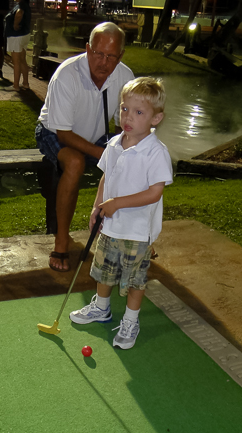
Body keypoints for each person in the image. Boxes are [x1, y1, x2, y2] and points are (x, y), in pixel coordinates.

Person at [68, 77, 172, 350]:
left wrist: (116, 204)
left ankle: (130, 320)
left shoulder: (155, 152)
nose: (128, 117)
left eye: (139, 112)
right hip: (111, 225)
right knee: (104, 270)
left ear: (156, 118)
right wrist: (97, 206)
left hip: (137, 231)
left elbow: (154, 193)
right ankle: (102, 308)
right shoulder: (115, 144)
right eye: (125, 109)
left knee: (135, 279)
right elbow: (106, 178)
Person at [36, 22, 134, 273]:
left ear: (120, 55)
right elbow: (64, 133)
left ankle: (134, 238)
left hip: (97, 135)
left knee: (133, 161)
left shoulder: (125, 77)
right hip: (55, 132)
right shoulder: (67, 74)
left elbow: (129, 124)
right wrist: (104, 153)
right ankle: (61, 241)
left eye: (111, 56)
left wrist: (128, 151)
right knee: (75, 162)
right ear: (88, 49)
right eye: (98, 54)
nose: (103, 62)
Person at [4, 0, 31, 91]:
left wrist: (15, 24)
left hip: (16, 36)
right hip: (24, 35)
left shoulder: (21, 5)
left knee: (16, 62)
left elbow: (19, 13)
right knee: (22, 60)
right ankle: (25, 83)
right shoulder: (24, 5)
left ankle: (16, 85)